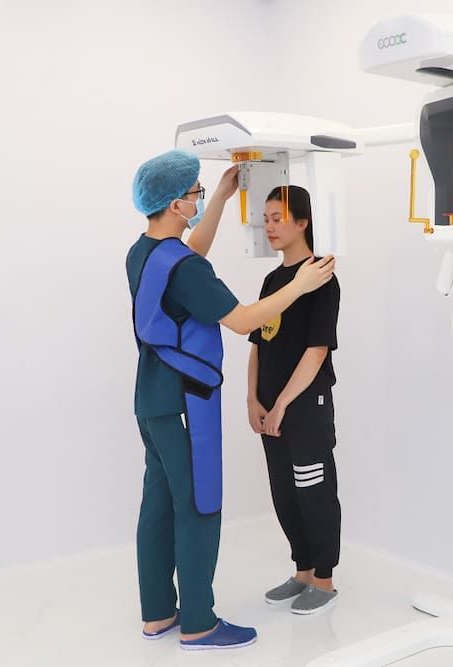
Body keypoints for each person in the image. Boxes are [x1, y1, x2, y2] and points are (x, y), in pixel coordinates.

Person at [127, 151, 336, 650]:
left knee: (157, 507)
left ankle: (158, 614)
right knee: (199, 505)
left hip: (152, 401)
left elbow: (187, 254)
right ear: (176, 205)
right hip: (186, 402)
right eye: (195, 194)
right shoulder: (186, 269)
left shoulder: (144, 251)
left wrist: (221, 196)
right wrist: (301, 284)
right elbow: (243, 321)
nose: (199, 200)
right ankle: (199, 622)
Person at [247, 185, 342, 615]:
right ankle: (302, 570)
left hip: (304, 404)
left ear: (302, 222)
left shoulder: (321, 276)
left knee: (312, 489)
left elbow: (317, 350)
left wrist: (284, 403)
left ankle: (323, 578)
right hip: (269, 406)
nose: (268, 226)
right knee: (284, 491)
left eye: (277, 219)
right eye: (265, 219)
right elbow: (257, 343)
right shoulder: (272, 281)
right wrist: (252, 398)